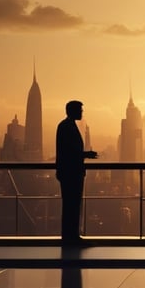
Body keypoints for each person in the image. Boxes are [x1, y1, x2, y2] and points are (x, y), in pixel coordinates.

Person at [55, 100, 97, 246]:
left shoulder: (67, 126)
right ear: (72, 111)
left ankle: (71, 236)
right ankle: (70, 237)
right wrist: (86, 155)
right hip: (71, 173)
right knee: (71, 206)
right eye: (80, 110)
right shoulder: (66, 127)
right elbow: (69, 152)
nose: (81, 112)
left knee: (71, 206)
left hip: (70, 172)